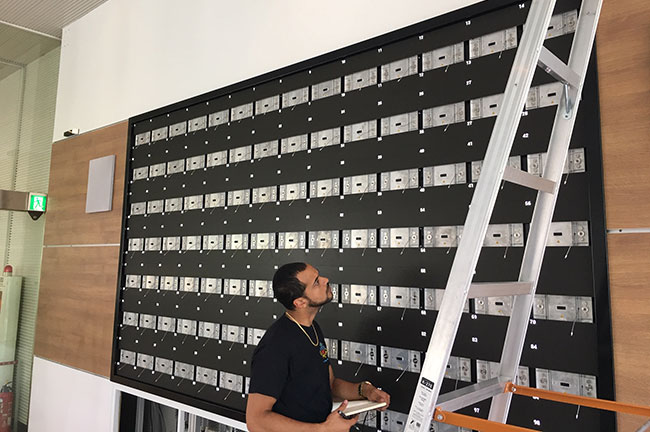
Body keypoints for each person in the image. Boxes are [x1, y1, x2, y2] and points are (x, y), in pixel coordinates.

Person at [246, 262, 391, 432]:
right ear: (300, 302)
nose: (325, 280)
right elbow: (256, 420)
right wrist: (322, 430)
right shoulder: (275, 347)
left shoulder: (312, 328)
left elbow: (328, 385)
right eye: (316, 282)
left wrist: (364, 390)